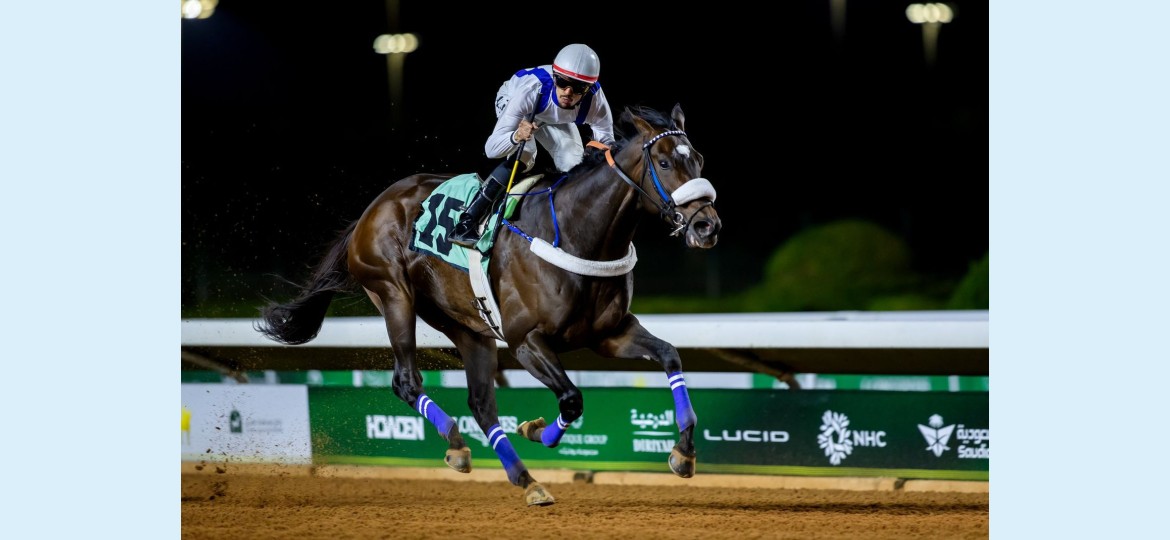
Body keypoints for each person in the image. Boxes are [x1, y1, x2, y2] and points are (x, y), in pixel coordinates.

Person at [449, 43, 616, 248]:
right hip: (516, 99)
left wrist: (598, 154)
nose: (568, 92)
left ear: (589, 88)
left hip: (550, 116)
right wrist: (516, 136)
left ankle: (569, 222)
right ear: (554, 76)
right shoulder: (530, 89)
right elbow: (491, 149)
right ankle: (467, 221)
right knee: (526, 155)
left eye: (578, 87)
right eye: (562, 82)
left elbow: (607, 142)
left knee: (573, 162)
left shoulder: (596, 100)